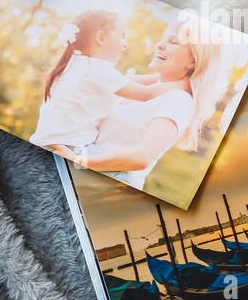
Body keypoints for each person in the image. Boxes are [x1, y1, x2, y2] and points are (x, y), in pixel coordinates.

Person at [51, 19, 224, 190]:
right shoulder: (148, 87)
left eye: (173, 41)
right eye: (163, 39)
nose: (160, 45)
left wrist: (79, 160)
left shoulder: (178, 100)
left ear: (193, 60)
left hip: (111, 179)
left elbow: (142, 156)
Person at [28, 10, 173, 150]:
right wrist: (182, 82)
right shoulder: (97, 70)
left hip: (45, 143)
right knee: (122, 162)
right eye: (122, 36)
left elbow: (127, 80)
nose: (125, 44)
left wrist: (160, 78)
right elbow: (145, 94)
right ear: (101, 38)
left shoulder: (76, 64)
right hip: (69, 147)